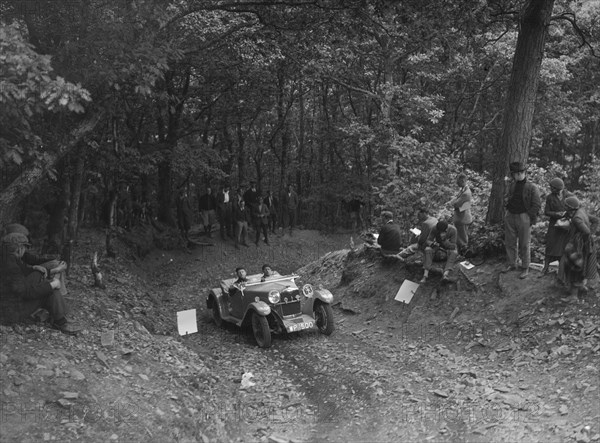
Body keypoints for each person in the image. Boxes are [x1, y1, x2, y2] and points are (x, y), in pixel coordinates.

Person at [0, 233, 81, 334]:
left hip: (6, 305)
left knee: (40, 275)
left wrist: (33, 268)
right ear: (19, 248)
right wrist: (51, 285)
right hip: (9, 313)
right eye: (25, 247)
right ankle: (60, 321)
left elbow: (21, 272)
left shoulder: (7, 258)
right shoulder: (11, 265)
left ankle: (58, 315)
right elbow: (26, 293)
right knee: (49, 292)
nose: (25, 250)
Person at [3, 223, 68, 295]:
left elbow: (33, 260)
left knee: (55, 263)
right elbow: (23, 278)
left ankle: (59, 293)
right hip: (23, 287)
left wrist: (52, 257)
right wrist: (56, 269)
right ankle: (57, 292)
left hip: (27, 274)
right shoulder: (10, 257)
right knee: (53, 266)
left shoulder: (12, 253)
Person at [503, 162, 541, 279]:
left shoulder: (532, 187)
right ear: (513, 174)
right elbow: (507, 197)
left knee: (524, 243)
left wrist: (529, 216)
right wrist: (506, 207)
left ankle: (525, 267)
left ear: (525, 173)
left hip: (524, 216)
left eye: (521, 173)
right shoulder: (512, 185)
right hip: (510, 215)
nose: (519, 175)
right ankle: (512, 263)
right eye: (516, 173)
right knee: (510, 241)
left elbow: (536, 205)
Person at [557, 197, 599, 296]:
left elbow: (586, 231)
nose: (564, 207)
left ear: (569, 207)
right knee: (583, 265)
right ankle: (581, 287)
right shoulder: (581, 211)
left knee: (574, 268)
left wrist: (579, 239)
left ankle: (573, 297)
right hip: (587, 244)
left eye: (566, 206)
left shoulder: (576, 218)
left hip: (579, 246)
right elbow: (595, 220)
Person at [540, 178, 572, 276]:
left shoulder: (568, 196)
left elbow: (575, 208)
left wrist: (567, 214)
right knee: (550, 245)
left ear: (559, 189)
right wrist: (557, 214)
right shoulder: (550, 197)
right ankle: (545, 268)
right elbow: (546, 211)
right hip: (554, 225)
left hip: (565, 226)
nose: (551, 190)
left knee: (563, 247)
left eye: (554, 188)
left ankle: (562, 270)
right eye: (551, 188)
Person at [450, 173, 473, 254]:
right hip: (460, 216)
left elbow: (456, 204)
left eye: (458, 181)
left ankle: (465, 253)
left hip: (462, 218)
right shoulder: (462, 190)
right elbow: (455, 201)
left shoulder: (466, 193)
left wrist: (454, 202)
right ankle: (462, 252)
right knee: (459, 237)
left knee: (462, 238)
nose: (457, 183)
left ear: (462, 180)